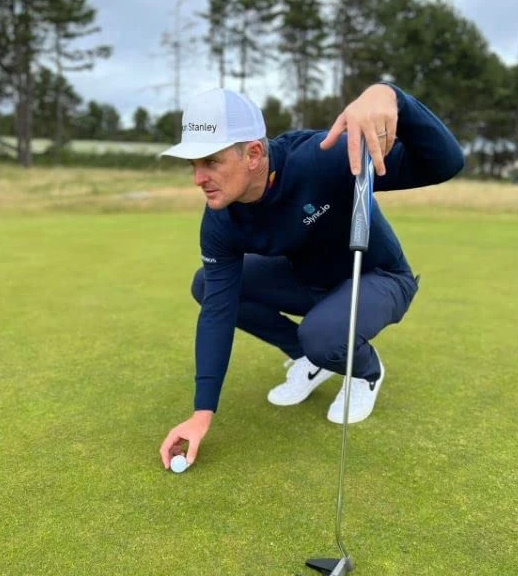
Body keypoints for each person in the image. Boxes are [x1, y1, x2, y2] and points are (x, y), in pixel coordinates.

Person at [159, 82, 464, 469]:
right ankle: (312, 359)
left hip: (379, 277)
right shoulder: (221, 219)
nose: (198, 178)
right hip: (310, 280)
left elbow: (445, 164)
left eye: (211, 162)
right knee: (206, 284)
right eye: (193, 164)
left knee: (322, 335)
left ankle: (365, 372)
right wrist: (201, 414)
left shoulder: (321, 158)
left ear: (253, 154)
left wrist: (392, 98)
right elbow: (218, 310)